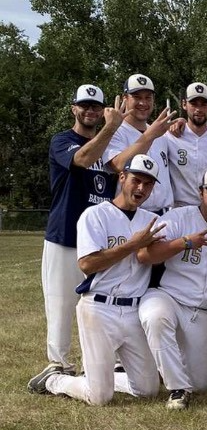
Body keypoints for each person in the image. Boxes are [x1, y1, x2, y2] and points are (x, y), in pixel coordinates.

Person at [27, 155, 164, 405]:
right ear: (122, 178)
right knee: (99, 397)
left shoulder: (150, 221)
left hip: (133, 309)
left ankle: (101, 376)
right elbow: (87, 264)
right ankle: (55, 380)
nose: (141, 188)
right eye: (136, 180)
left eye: (148, 184)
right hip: (99, 308)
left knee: (148, 390)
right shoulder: (95, 215)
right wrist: (133, 244)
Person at [29, 85, 124, 384]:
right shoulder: (62, 141)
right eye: (84, 105)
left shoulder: (108, 146)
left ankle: (98, 362)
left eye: (96, 106)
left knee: (100, 304)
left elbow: (122, 164)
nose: (90, 111)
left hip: (97, 241)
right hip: (64, 235)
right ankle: (58, 364)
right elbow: (82, 159)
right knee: (60, 304)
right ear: (73, 108)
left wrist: (154, 133)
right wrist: (110, 128)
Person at [137, 167, 207, 409]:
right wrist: (184, 242)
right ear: (200, 193)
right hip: (167, 296)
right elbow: (144, 255)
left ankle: (161, 367)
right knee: (155, 318)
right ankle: (176, 389)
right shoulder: (177, 218)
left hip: (202, 311)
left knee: (202, 384)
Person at [104, 73, 176, 214]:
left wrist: (182, 123)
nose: (143, 103)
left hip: (165, 214)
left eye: (148, 97)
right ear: (125, 98)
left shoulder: (161, 132)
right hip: (131, 213)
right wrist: (150, 135)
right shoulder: (116, 130)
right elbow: (117, 165)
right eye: (136, 97)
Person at [166, 82, 207, 207]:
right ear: (184, 104)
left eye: (204, 104)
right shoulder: (170, 136)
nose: (199, 109)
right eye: (194, 104)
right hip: (179, 209)